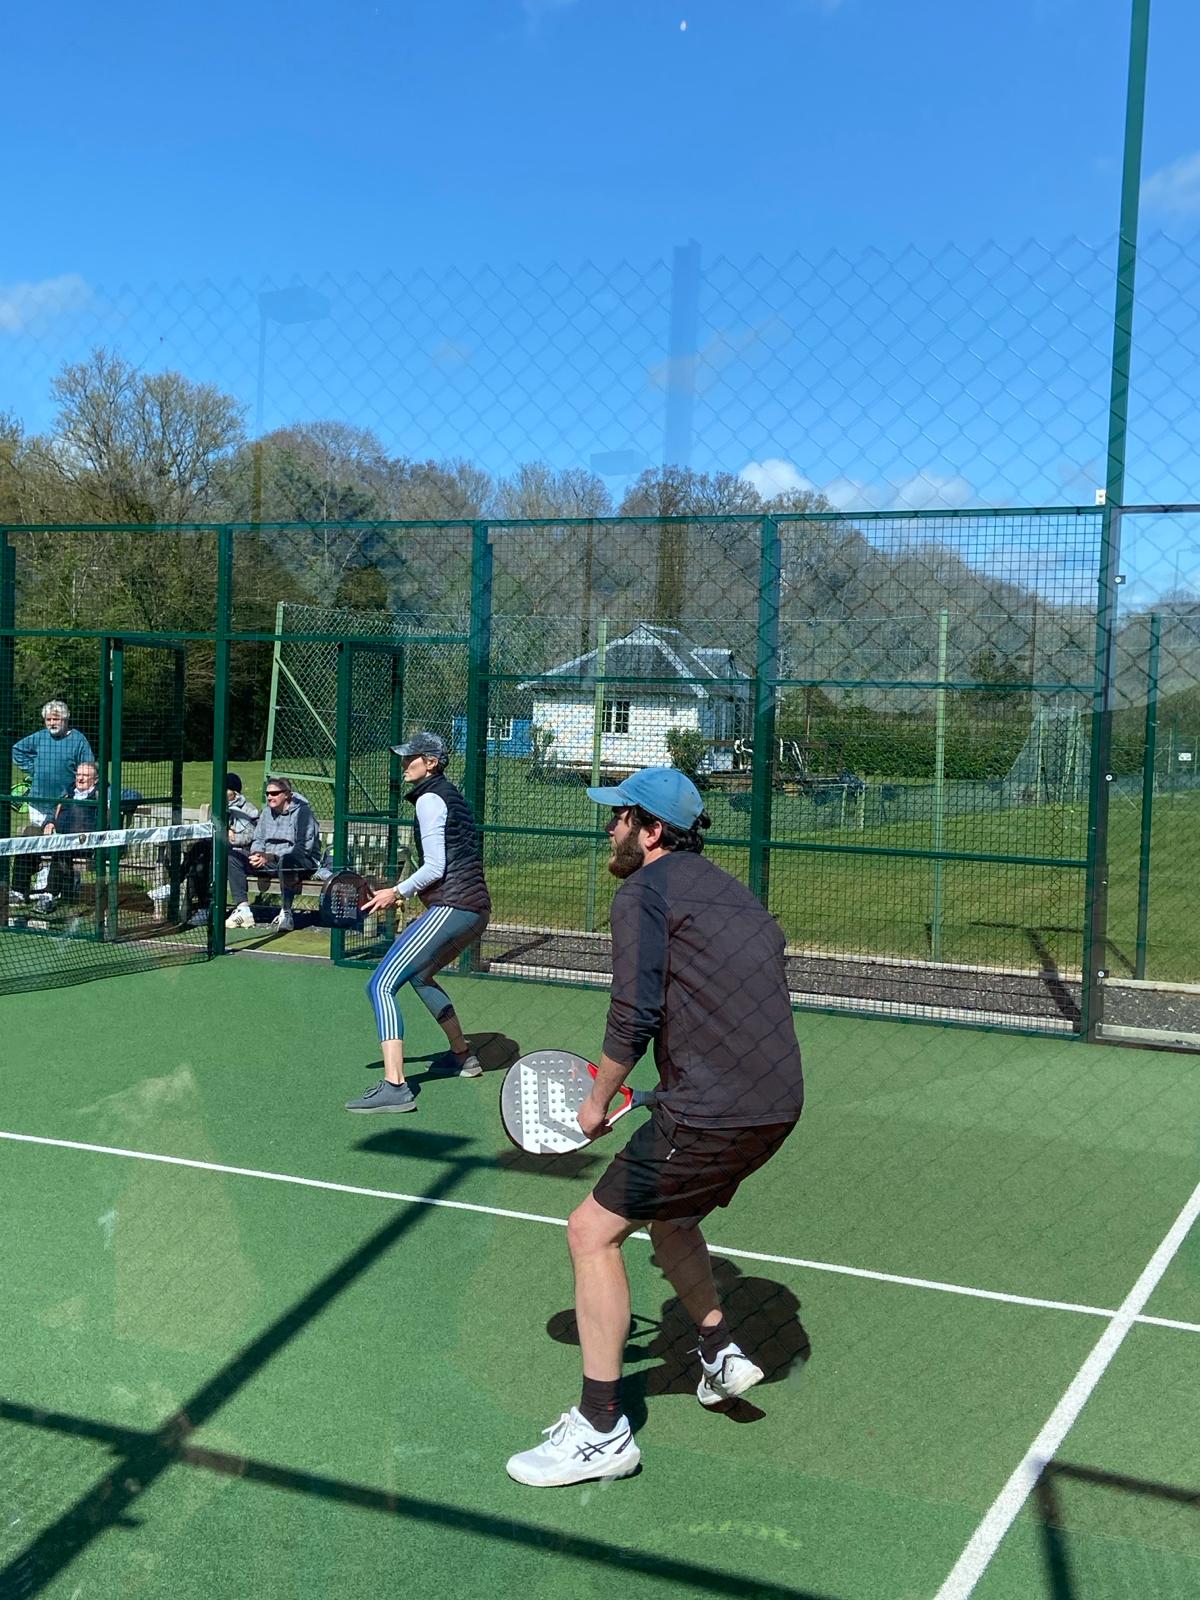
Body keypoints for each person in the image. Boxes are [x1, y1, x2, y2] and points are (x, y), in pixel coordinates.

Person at [505, 766, 805, 1489]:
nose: (609, 827)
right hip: (775, 1104)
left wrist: (596, 1102)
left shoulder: (644, 892)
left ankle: (602, 1429)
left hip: (710, 1111)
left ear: (652, 831)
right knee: (670, 1217)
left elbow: (633, 1011)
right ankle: (719, 1351)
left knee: (591, 1232)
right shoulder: (734, 894)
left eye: (620, 817)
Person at [345, 731, 491, 1113]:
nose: (404, 764)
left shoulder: (429, 798)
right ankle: (463, 1057)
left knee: (380, 985)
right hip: (475, 909)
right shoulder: (449, 795)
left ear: (431, 763)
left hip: (453, 906)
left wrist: (396, 891)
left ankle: (396, 1086)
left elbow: (435, 867)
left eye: (411, 758)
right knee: (421, 976)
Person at [225, 776, 319, 932]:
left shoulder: (303, 813)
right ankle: (243, 909)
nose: (269, 797)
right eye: (267, 794)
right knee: (233, 857)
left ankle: (286, 913)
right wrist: (257, 854)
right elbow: (258, 838)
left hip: (300, 863)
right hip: (269, 860)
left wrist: (271, 856)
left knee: (287, 860)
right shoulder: (266, 812)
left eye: (274, 793)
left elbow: (302, 848)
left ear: (287, 794)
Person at [8, 761, 101, 905]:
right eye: (78, 774)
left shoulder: (100, 795)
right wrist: (50, 822)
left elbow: (129, 796)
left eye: (85, 775)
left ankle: (49, 895)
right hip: (57, 838)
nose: (80, 778)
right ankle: (18, 891)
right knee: (28, 838)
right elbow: (52, 812)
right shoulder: (68, 793)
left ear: (95, 780)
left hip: (82, 843)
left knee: (62, 846)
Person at [11, 701, 95, 827]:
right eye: (48, 719)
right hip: (37, 802)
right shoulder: (40, 736)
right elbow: (17, 750)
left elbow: (88, 767)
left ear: (65, 719)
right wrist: (34, 769)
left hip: (65, 804)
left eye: (56, 719)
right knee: (37, 836)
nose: (51, 723)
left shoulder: (79, 740)